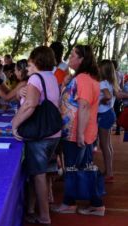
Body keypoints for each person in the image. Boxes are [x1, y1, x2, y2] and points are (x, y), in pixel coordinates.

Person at [53, 45, 105, 216]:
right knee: (85, 167)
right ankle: (96, 204)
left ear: (82, 59)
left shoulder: (83, 78)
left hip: (77, 133)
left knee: (72, 168)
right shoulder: (83, 78)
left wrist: (80, 134)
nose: (70, 58)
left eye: (73, 55)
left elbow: (83, 106)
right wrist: (66, 84)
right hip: (79, 131)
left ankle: (69, 203)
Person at [11, 46, 61, 225]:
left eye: (30, 63)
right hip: (53, 133)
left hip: (40, 135)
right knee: (41, 172)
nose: (28, 67)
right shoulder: (52, 77)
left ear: (37, 61)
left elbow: (30, 105)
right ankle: (32, 209)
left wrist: (14, 124)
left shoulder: (35, 78)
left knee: (38, 175)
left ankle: (44, 216)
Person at [97, 60, 119, 183]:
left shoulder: (102, 83)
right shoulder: (109, 82)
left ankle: (109, 172)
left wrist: (101, 101)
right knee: (108, 145)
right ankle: (109, 170)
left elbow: (108, 96)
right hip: (109, 113)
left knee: (104, 145)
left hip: (104, 114)